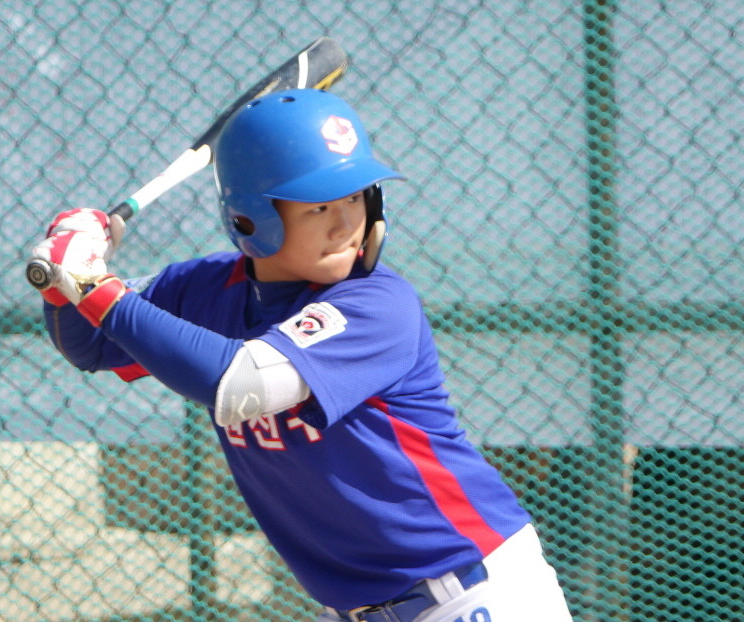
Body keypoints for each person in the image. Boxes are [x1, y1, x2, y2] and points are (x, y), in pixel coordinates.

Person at [30, 88, 574, 622]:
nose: (345, 224)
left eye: (356, 198)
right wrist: (63, 282)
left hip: (473, 592)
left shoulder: (377, 303)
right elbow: (89, 344)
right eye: (318, 207)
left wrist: (94, 285)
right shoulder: (206, 289)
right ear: (250, 218)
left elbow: (241, 385)